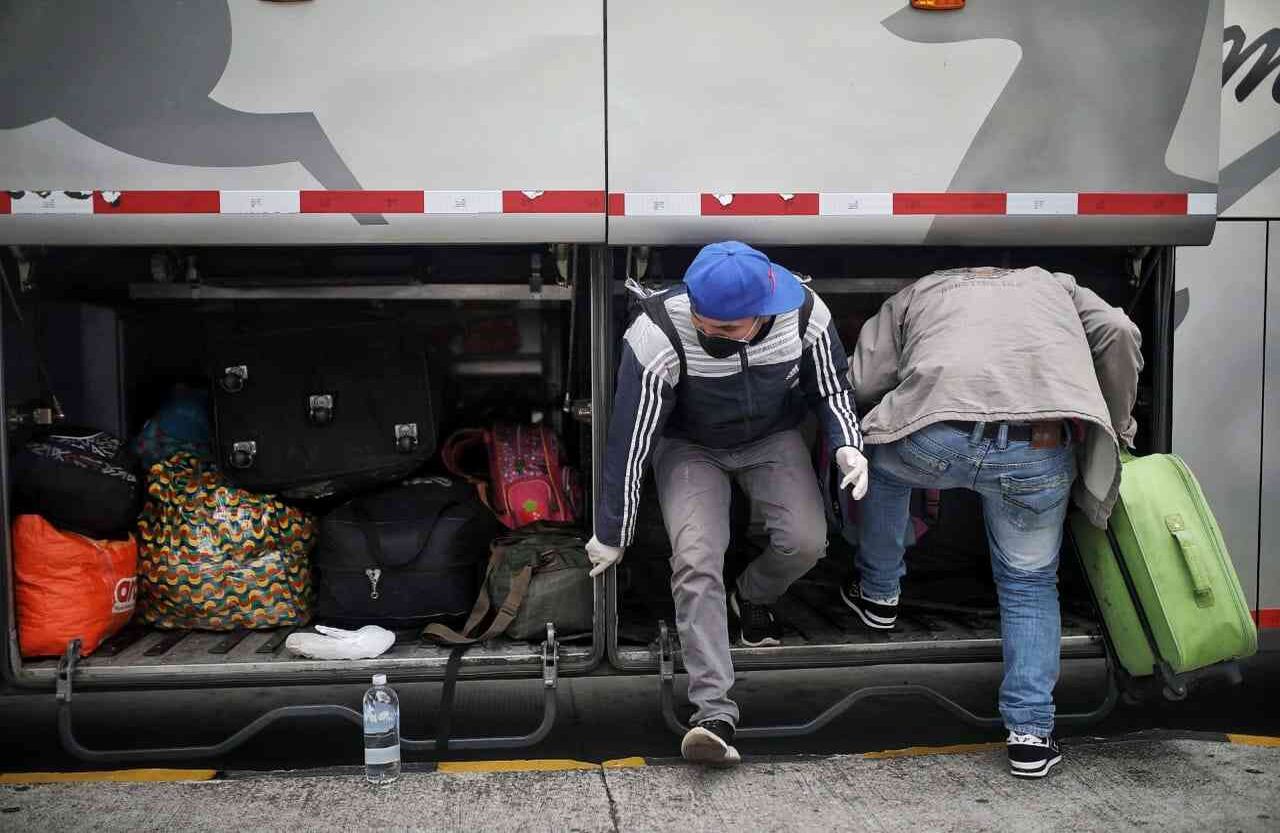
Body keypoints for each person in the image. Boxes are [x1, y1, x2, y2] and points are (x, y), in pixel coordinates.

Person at [844, 266, 1142, 779]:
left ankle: (880, 592)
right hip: (1038, 451)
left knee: (875, 462)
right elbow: (1119, 331)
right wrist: (1116, 425)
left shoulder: (919, 289)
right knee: (1028, 586)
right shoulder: (1059, 286)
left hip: (936, 439)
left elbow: (862, 379)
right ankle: (1029, 736)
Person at [586, 241, 867, 766]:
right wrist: (613, 529)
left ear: (761, 312)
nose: (709, 333)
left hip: (771, 436)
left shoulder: (805, 313)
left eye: (726, 329)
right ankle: (713, 713)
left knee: (806, 543)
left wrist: (848, 442)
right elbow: (631, 439)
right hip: (689, 444)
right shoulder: (657, 333)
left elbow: (831, 389)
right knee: (695, 560)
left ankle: (750, 596)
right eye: (703, 321)